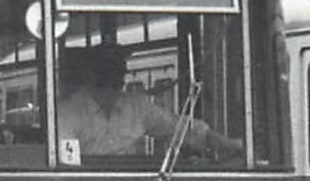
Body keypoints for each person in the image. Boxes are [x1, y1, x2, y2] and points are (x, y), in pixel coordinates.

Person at [55, 48, 242, 164]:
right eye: (107, 72)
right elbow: (67, 165)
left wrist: (234, 145)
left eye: (119, 73)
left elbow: (185, 131)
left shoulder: (136, 107)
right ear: (91, 76)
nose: (115, 81)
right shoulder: (67, 114)